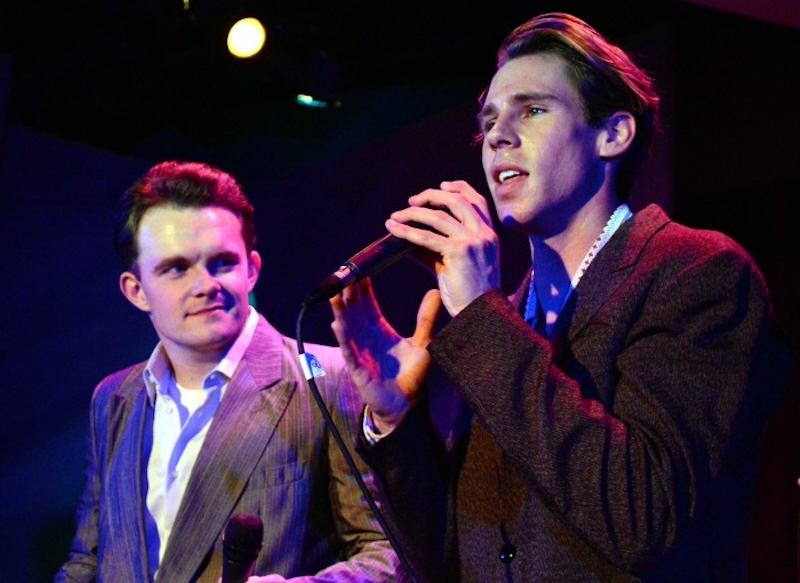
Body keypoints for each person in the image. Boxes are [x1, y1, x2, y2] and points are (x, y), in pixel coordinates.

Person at [328, 12, 793, 582]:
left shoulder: (695, 274)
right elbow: (456, 562)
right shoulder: (507, 317)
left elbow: (645, 520)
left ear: (612, 134)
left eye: (532, 110)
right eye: (489, 120)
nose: (497, 136)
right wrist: (396, 420)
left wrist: (481, 319)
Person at [55, 161, 402, 582]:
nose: (206, 285)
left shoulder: (329, 378)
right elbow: (88, 559)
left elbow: (388, 552)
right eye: (176, 268)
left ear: (251, 269)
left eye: (222, 262)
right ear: (136, 290)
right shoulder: (112, 396)